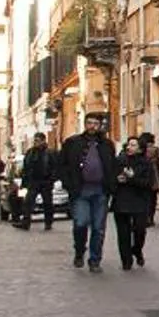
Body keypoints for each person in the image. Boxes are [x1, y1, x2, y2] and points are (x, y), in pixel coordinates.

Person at [56, 112, 119, 272]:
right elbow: (62, 164)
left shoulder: (107, 145)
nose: (92, 126)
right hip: (80, 191)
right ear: (85, 124)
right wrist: (68, 183)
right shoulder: (72, 143)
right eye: (89, 123)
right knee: (80, 223)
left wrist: (111, 186)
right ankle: (79, 251)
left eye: (95, 124)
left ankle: (95, 260)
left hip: (100, 191)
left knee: (98, 227)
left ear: (100, 125)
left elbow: (112, 166)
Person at [112, 133, 159, 270]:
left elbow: (148, 183)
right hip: (121, 201)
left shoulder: (146, 164)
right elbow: (111, 179)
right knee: (123, 233)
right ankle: (126, 261)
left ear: (140, 148)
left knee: (140, 230)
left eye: (133, 145)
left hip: (140, 200)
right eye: (128, 144)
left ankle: (136, 249)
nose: (130, 147)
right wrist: (117, 180)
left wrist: (132, 178)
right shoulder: (119, 161)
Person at [18, 133, 55, 231]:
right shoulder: (30, 152)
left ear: (43, 141)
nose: (35, 143)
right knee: (28, 202)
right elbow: (26, 168)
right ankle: (25, 223)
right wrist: (24, 181)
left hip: (46, 181)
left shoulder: (50, 152)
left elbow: (55, 167)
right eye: (35, 140)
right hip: (33, 181)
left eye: (38, 140)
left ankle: (48, 222)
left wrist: (52, 179)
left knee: (47, 203)